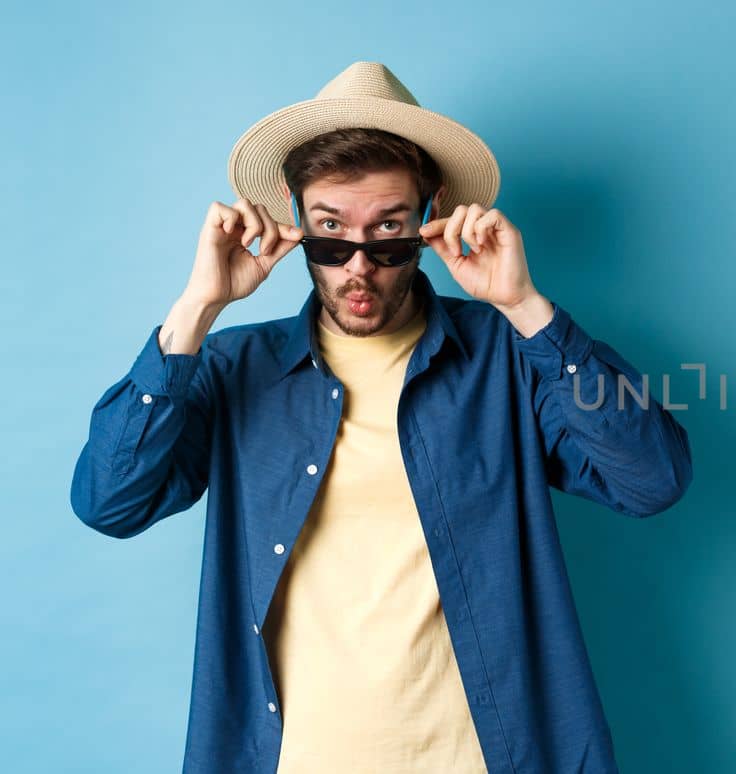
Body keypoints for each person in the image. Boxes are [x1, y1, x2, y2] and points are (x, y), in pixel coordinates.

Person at [69, 61, 692, 774]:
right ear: (293, 218)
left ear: (431, 218)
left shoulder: (508, 359)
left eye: (388, 231)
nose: (358, 267)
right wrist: (195, 310)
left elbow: (652, 478)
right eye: (331, 234)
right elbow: (109, 501)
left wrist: (525, 309)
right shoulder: (232, 368)